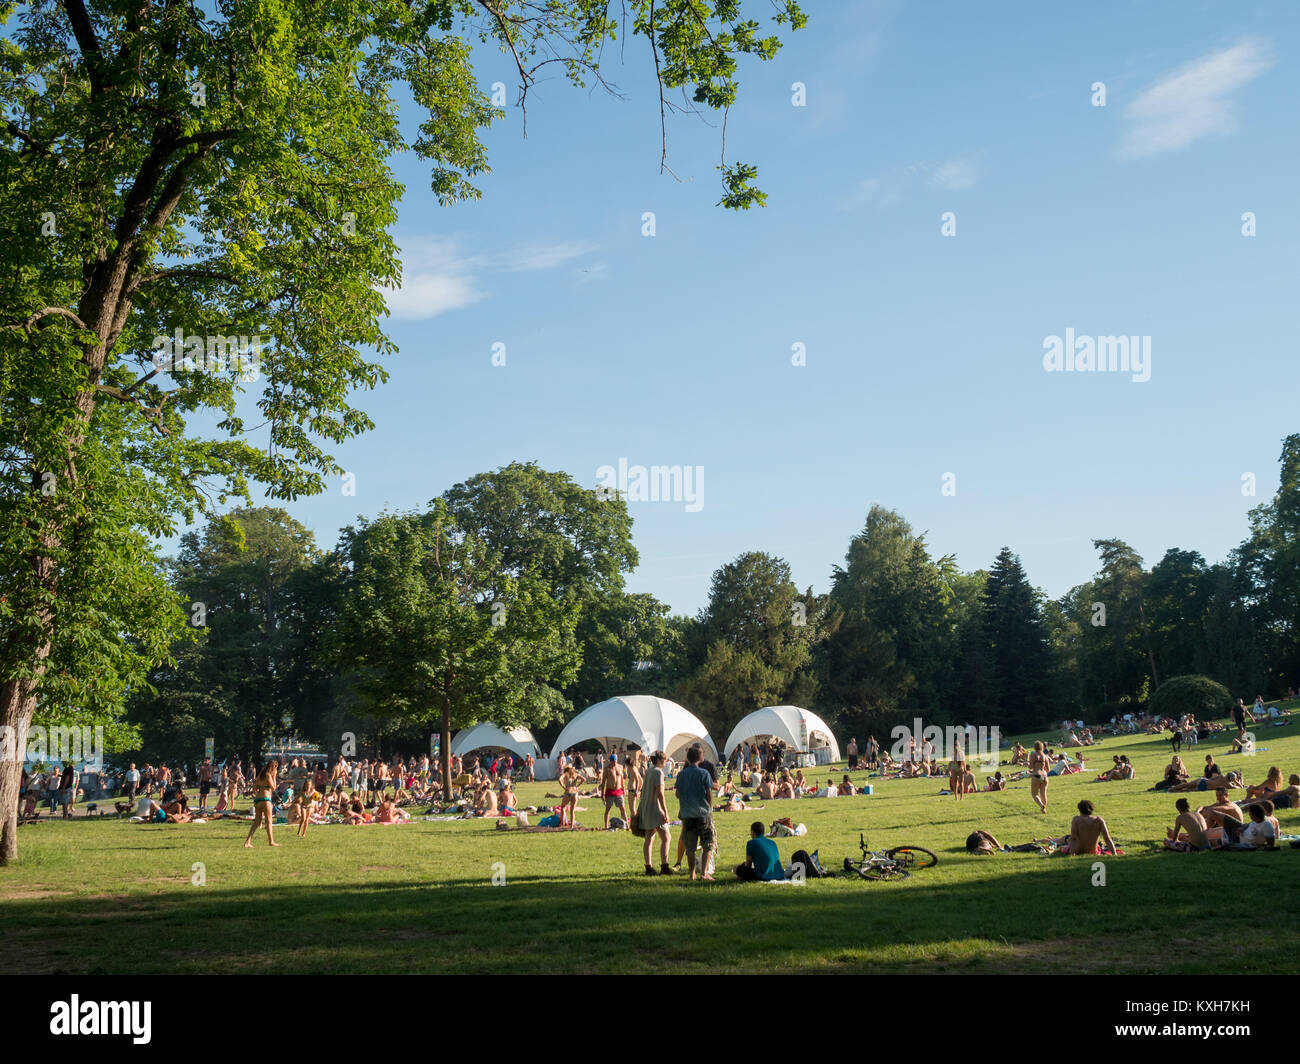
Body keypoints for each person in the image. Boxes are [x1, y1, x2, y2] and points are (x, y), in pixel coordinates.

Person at [674, 744, 715, 881]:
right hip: (702, 813)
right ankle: (704, 873)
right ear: (700, 757)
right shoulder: (704, 773)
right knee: (707, 844)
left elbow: (677, 794)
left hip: (687, 814)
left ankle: (692, 873)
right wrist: (709, 809)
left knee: (690, 847)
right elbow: (709, 794)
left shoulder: (681, 774)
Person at [639, 751, 673, 876]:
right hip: (656, 809)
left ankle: (649, 867)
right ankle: (664, 866)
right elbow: (660, 794)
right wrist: (665, 812)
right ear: (658, 760)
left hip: (646, 808)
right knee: (666, 837)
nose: (665, 762)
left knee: (649, 838)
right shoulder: (658, 772)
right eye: (664, 759)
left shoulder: (649, 771)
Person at [244, 762, 280, 848]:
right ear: (274, 767)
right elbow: (273, 787)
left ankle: (247, 842)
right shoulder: (268, 775)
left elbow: (254, 788)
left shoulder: (261, 775)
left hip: (258, 800)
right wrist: (274, 776)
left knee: (257, 822)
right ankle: (271, 841)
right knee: (269, 821)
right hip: (266, 800)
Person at [601, 753, 628, 829]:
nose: (615, 763)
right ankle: (606, 826)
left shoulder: (620, 767)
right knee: (608, 809)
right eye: (613, 761)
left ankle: (627, 826)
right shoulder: (607, 769)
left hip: (619, 791)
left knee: (623, 808)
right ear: (610, 761)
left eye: (616, 761)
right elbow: (603, 782)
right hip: (610, 791)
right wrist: (602, 794)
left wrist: (624, 788)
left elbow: (622, 778)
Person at [1028, 741, 1049, 814]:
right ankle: (1044, 809)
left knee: (1034, 794)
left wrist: (1027, 764)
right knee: (1043, 794)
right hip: (1044, 776)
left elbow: (1030, 767)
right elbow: (1048, 769)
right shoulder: (1045, 756)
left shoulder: (1033, 755)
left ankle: (1042, 806)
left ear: (1034, 747)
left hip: (1036, 775)